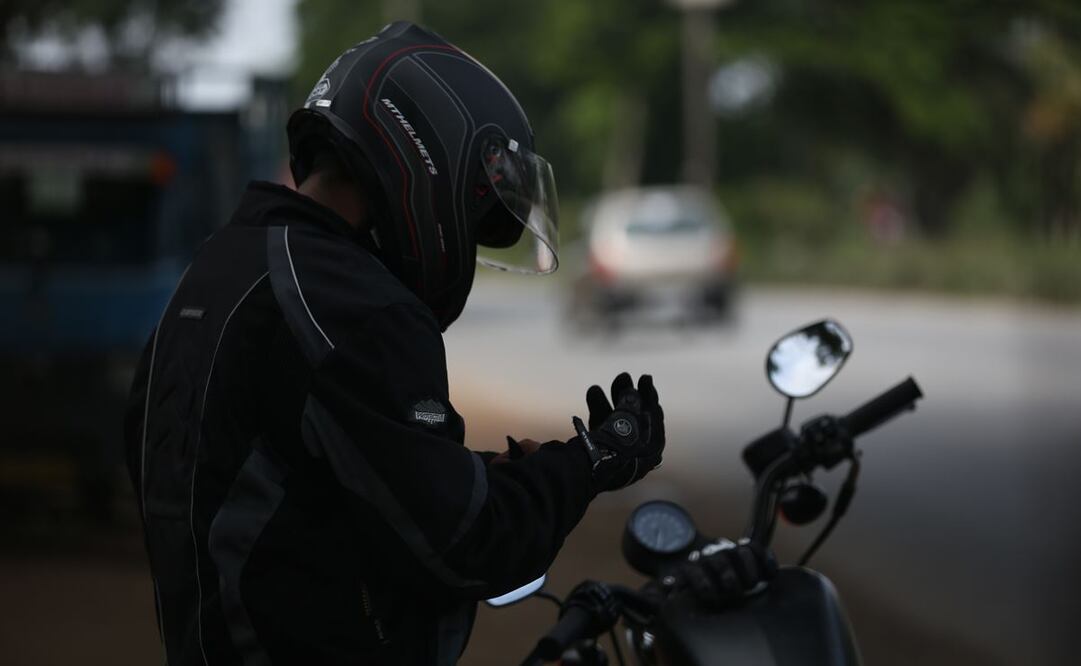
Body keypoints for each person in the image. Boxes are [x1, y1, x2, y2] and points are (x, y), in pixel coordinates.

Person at [124, 21, 665, 665]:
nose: (463, 234)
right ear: (426, 157)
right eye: (472, 209)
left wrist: (485, 472)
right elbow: (466, 544)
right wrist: (594, 461)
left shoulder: (231, 264)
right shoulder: (352, 306)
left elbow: (301, 475)